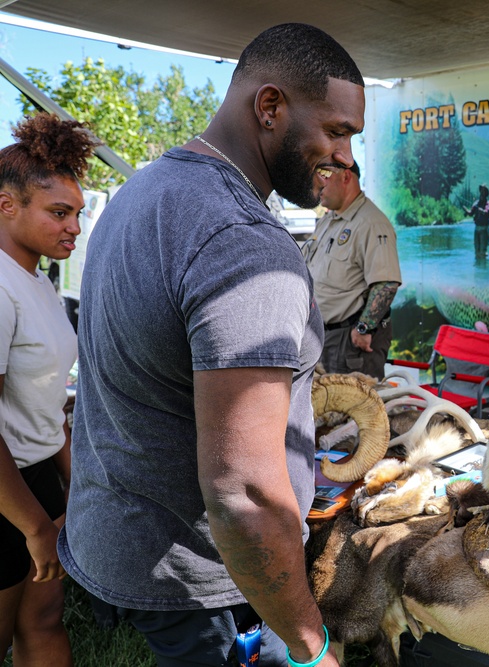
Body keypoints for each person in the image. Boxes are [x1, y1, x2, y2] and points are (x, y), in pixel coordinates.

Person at [58, 23, 365, 667]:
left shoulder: (145, 190)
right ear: (270, 106)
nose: (342, 155)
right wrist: (312, 649)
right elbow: (246, 495)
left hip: (128, 539)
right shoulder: (241, 240)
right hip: (198, 574)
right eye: (335, 131)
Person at [0, 113, 95, 667]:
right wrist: (34, 525)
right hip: (7, 495)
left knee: (41, 621)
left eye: (77, 213)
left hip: (35, 480)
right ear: (6, 205)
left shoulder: (34, 279)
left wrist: (69, 483)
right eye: (59, 213)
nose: (74, 227)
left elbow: (45, 406)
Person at [306, 161, 401, 379]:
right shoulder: (328, 220)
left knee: (351, 411)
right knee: (322, 411)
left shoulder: (371, 223)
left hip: (349, 343)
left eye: (325, 176)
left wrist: (364, 328)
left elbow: (387, 284)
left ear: (346, 177)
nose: (318, 184)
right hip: (321, 336)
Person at [466, 184, 489, 259]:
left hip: (484, 229)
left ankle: (483, 269)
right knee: (477, 251)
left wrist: (480, 210)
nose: (482, 192)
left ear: (486, 193)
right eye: (481, 191)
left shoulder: (487, 203)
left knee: (483, 252)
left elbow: (487, 211)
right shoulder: (476, 203)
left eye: (484, 191)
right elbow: (471, 213)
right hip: (477, 229)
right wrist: (465, 209)